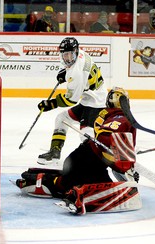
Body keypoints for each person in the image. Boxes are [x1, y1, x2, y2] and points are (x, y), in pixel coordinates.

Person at [16, 87, 140, 214]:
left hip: (80, 158)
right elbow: (109, 139)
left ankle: (37, 179)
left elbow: (112, 146)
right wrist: (127, 170)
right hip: (89, 161)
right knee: (103, 185)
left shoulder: (104, 113)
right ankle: (77, 194)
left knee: (66, 182)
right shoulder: (122, 117)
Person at [36, 37, 107, 165]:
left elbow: (71, 100)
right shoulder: (82, 55)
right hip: (91, 99)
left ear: (76, 51)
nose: (68, 58)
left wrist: (51, 104)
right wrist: (65, 72)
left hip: (97, 104)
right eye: (65, 55)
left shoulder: (77, 73)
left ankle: (97, 160)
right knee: (61, 119)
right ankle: (55, 152)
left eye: (70, 54)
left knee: (85, 135)